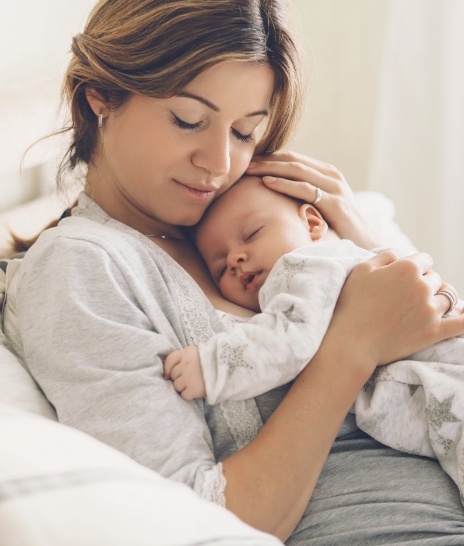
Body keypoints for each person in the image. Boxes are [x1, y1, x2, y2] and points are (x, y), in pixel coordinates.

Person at [2, 0, 464, 543]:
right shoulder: (80, 268)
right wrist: (353, 342)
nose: (219, 164)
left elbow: (437, 344)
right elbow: (191, 519)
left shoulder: (253, 211)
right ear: (100, 97)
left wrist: (363, 238)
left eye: (245, 133)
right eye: (188, 120)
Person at [164, 174, 464, 502]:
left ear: (312, 223)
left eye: (252, 234)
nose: (235, 258)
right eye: (220, 267)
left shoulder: (305, 267)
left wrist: (211, 366)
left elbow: (288, 340)